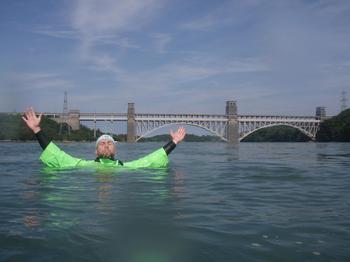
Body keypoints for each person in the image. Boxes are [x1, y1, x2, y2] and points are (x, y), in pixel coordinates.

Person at [22, 107, 186, 169]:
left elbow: (151, 160)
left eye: (109, 143)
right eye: (102, 143)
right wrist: (37, 130)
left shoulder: (126, 167)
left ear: (115, 149)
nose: (106, 145)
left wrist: (174, 142)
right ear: (95, 151)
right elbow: (56, 154)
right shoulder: (81, 165)